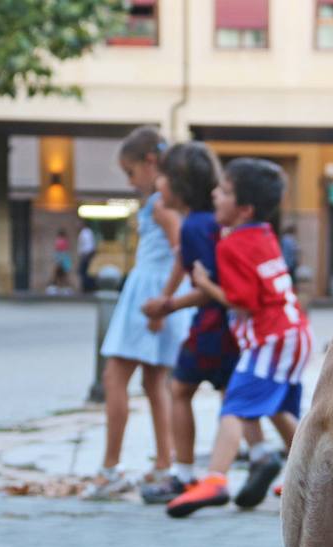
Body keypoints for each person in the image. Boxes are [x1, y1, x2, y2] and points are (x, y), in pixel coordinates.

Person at [166, 158, 311, 517]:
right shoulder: (264, 234)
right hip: (294, 333)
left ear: (243, 209)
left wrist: (204, 284)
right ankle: (312, 474)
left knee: (234, 406)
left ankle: (215, 479)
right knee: (275, 408)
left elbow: (242, 301)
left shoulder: (231, 246)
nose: (215, 194)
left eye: (225, 192)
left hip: (269, 337)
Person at [84, 127, 195, 500]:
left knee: (115, 378)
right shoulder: (163, 201)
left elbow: (183, 248)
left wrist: (163, 301)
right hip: (154, 293)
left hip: (149, 295)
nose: (131, 183)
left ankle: (110, 467)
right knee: (153, 383)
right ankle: (163, 462)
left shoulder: (160, 204)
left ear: (150, 162)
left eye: (131, 173)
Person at [135, 142, 246, 504]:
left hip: (211, 324)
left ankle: (184, 474)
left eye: (163, 177)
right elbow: (184, 264)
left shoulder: (195, 226)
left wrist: (168, 306)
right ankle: (257, 458)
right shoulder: (202, 224)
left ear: (179, 185)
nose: (157, 183)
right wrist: (166, 298)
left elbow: (208, 286)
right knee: (232, 395)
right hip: (226, 325)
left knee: (180, 389)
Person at [77, 222, 97, 292]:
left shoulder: (86, 232)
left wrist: (85, 255)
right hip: (86, 255)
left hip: (86, 255)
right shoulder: (86, 232)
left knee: (84, 272)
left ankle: (87, 288)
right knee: (83, 272)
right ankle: (87, 287)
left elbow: (88, 246)